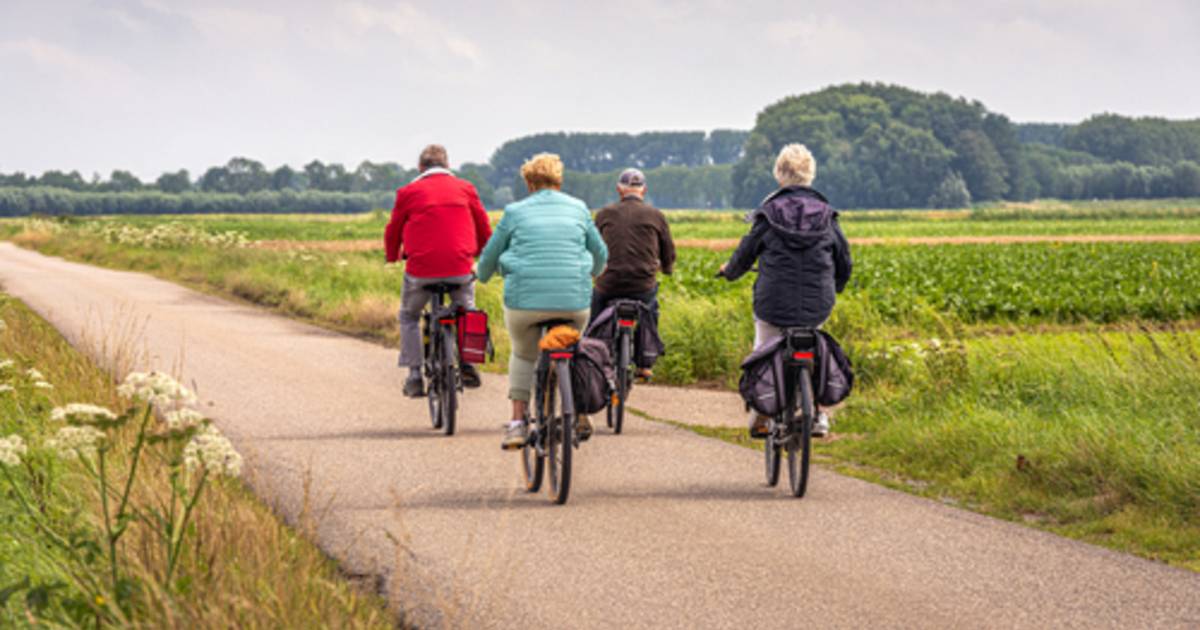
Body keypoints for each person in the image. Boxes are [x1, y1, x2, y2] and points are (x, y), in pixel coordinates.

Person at [476, 153, 608, 449]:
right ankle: (579, 412)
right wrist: (592, 272)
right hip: (574, 302)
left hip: (525, 304)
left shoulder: (514, 212)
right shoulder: (578, 209)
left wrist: (483, 274)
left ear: (528, 182)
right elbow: (600, 254)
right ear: (559, 180)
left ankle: (518, 423)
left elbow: (489, 256)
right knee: (573, 348)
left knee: (523, 354)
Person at [719, 143, 852, 438]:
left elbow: (744, 255)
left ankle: (763, 413)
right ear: (811, 175)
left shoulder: (767, 214)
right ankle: (819, 414)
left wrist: (729, 272)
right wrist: (835, 287)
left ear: (779, 174)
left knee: (764, 349)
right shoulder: (828, 216)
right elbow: (844, 261)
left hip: (773, 302)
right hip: (818, 301)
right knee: (814, 345)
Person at [384, 144, 492, 398]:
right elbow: (483, 225)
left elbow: (394, 229)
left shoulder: (408, 192)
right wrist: (482, 253)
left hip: (421, 271)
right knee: (467, 311)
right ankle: (469, 363)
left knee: (409, 316)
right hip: (459, 267)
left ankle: (413, 375)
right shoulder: (466, 188)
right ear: (447, 166)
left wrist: (392, 255)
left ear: (420, 168)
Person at [590, 168, 676, 379]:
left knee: (594, 316)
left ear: (619, 190)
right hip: (642, 286)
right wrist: (667, 269)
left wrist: (593, 271)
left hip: (608, 284)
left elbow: (591, 248)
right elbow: (668, 251)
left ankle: (592, 357)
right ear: (643, 190)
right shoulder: (656, 215)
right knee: (650, 310)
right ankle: (645, 363)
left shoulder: (604, 214)